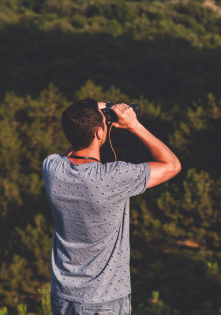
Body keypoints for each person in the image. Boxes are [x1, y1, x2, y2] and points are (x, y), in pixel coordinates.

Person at [43, 99, 181, 315]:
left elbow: (73, 147)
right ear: (100, 133)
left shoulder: (52, 168)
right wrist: (133, 125)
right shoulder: (114, 177)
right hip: (105, 299)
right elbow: (172, 165)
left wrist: (87, 119)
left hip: (64, 298)